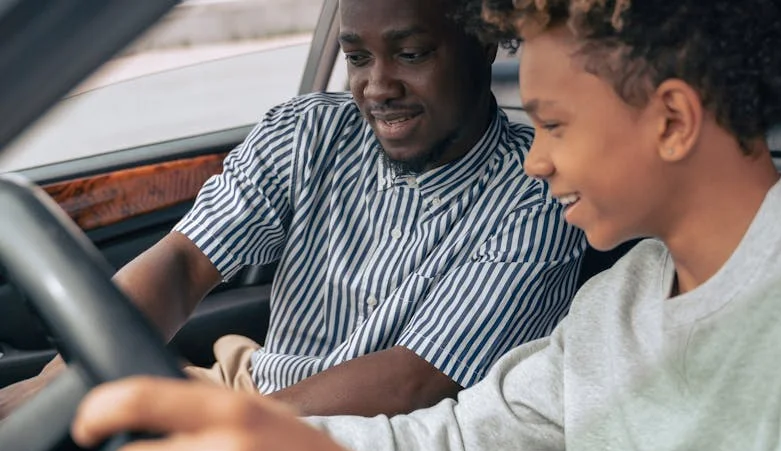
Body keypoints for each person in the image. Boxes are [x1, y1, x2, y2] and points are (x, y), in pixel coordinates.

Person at [68, 0, 781, 451]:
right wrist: (272, 442)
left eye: (555, 125)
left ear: (671, 122)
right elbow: (462, 442)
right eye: (358, 57)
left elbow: (422, 394)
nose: (536, 159)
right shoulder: (617, 306)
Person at [0, 0, 584, 419]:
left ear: (483, 43)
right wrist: (61, 383)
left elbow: (415, 381)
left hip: (368, 438)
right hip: (246, 390)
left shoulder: (536, 191)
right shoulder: (309, 131)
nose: (377, 86)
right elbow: (183, 263)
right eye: (357, 58)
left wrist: (226, 430)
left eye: (410, 54)